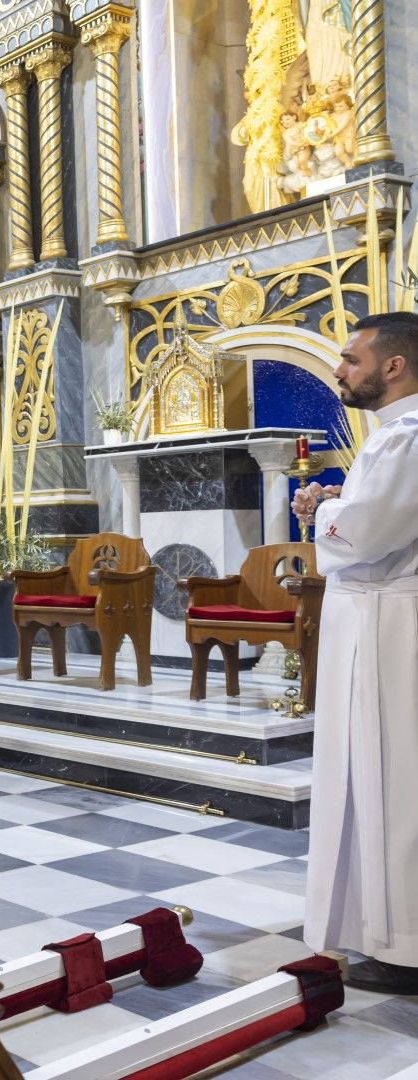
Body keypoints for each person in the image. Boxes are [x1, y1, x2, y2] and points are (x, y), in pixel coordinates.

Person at [291, 312, 418, 995]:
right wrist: (347, 498)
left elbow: (362, 538)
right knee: (385, 780)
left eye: (350, 358)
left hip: (387, 634)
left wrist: (323, 512)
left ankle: (404, 944)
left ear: (392, 366)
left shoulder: (404, 439)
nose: (339, 370)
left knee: (393, 782)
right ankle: (384, 928)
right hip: (383, 623)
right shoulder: (398, 442)